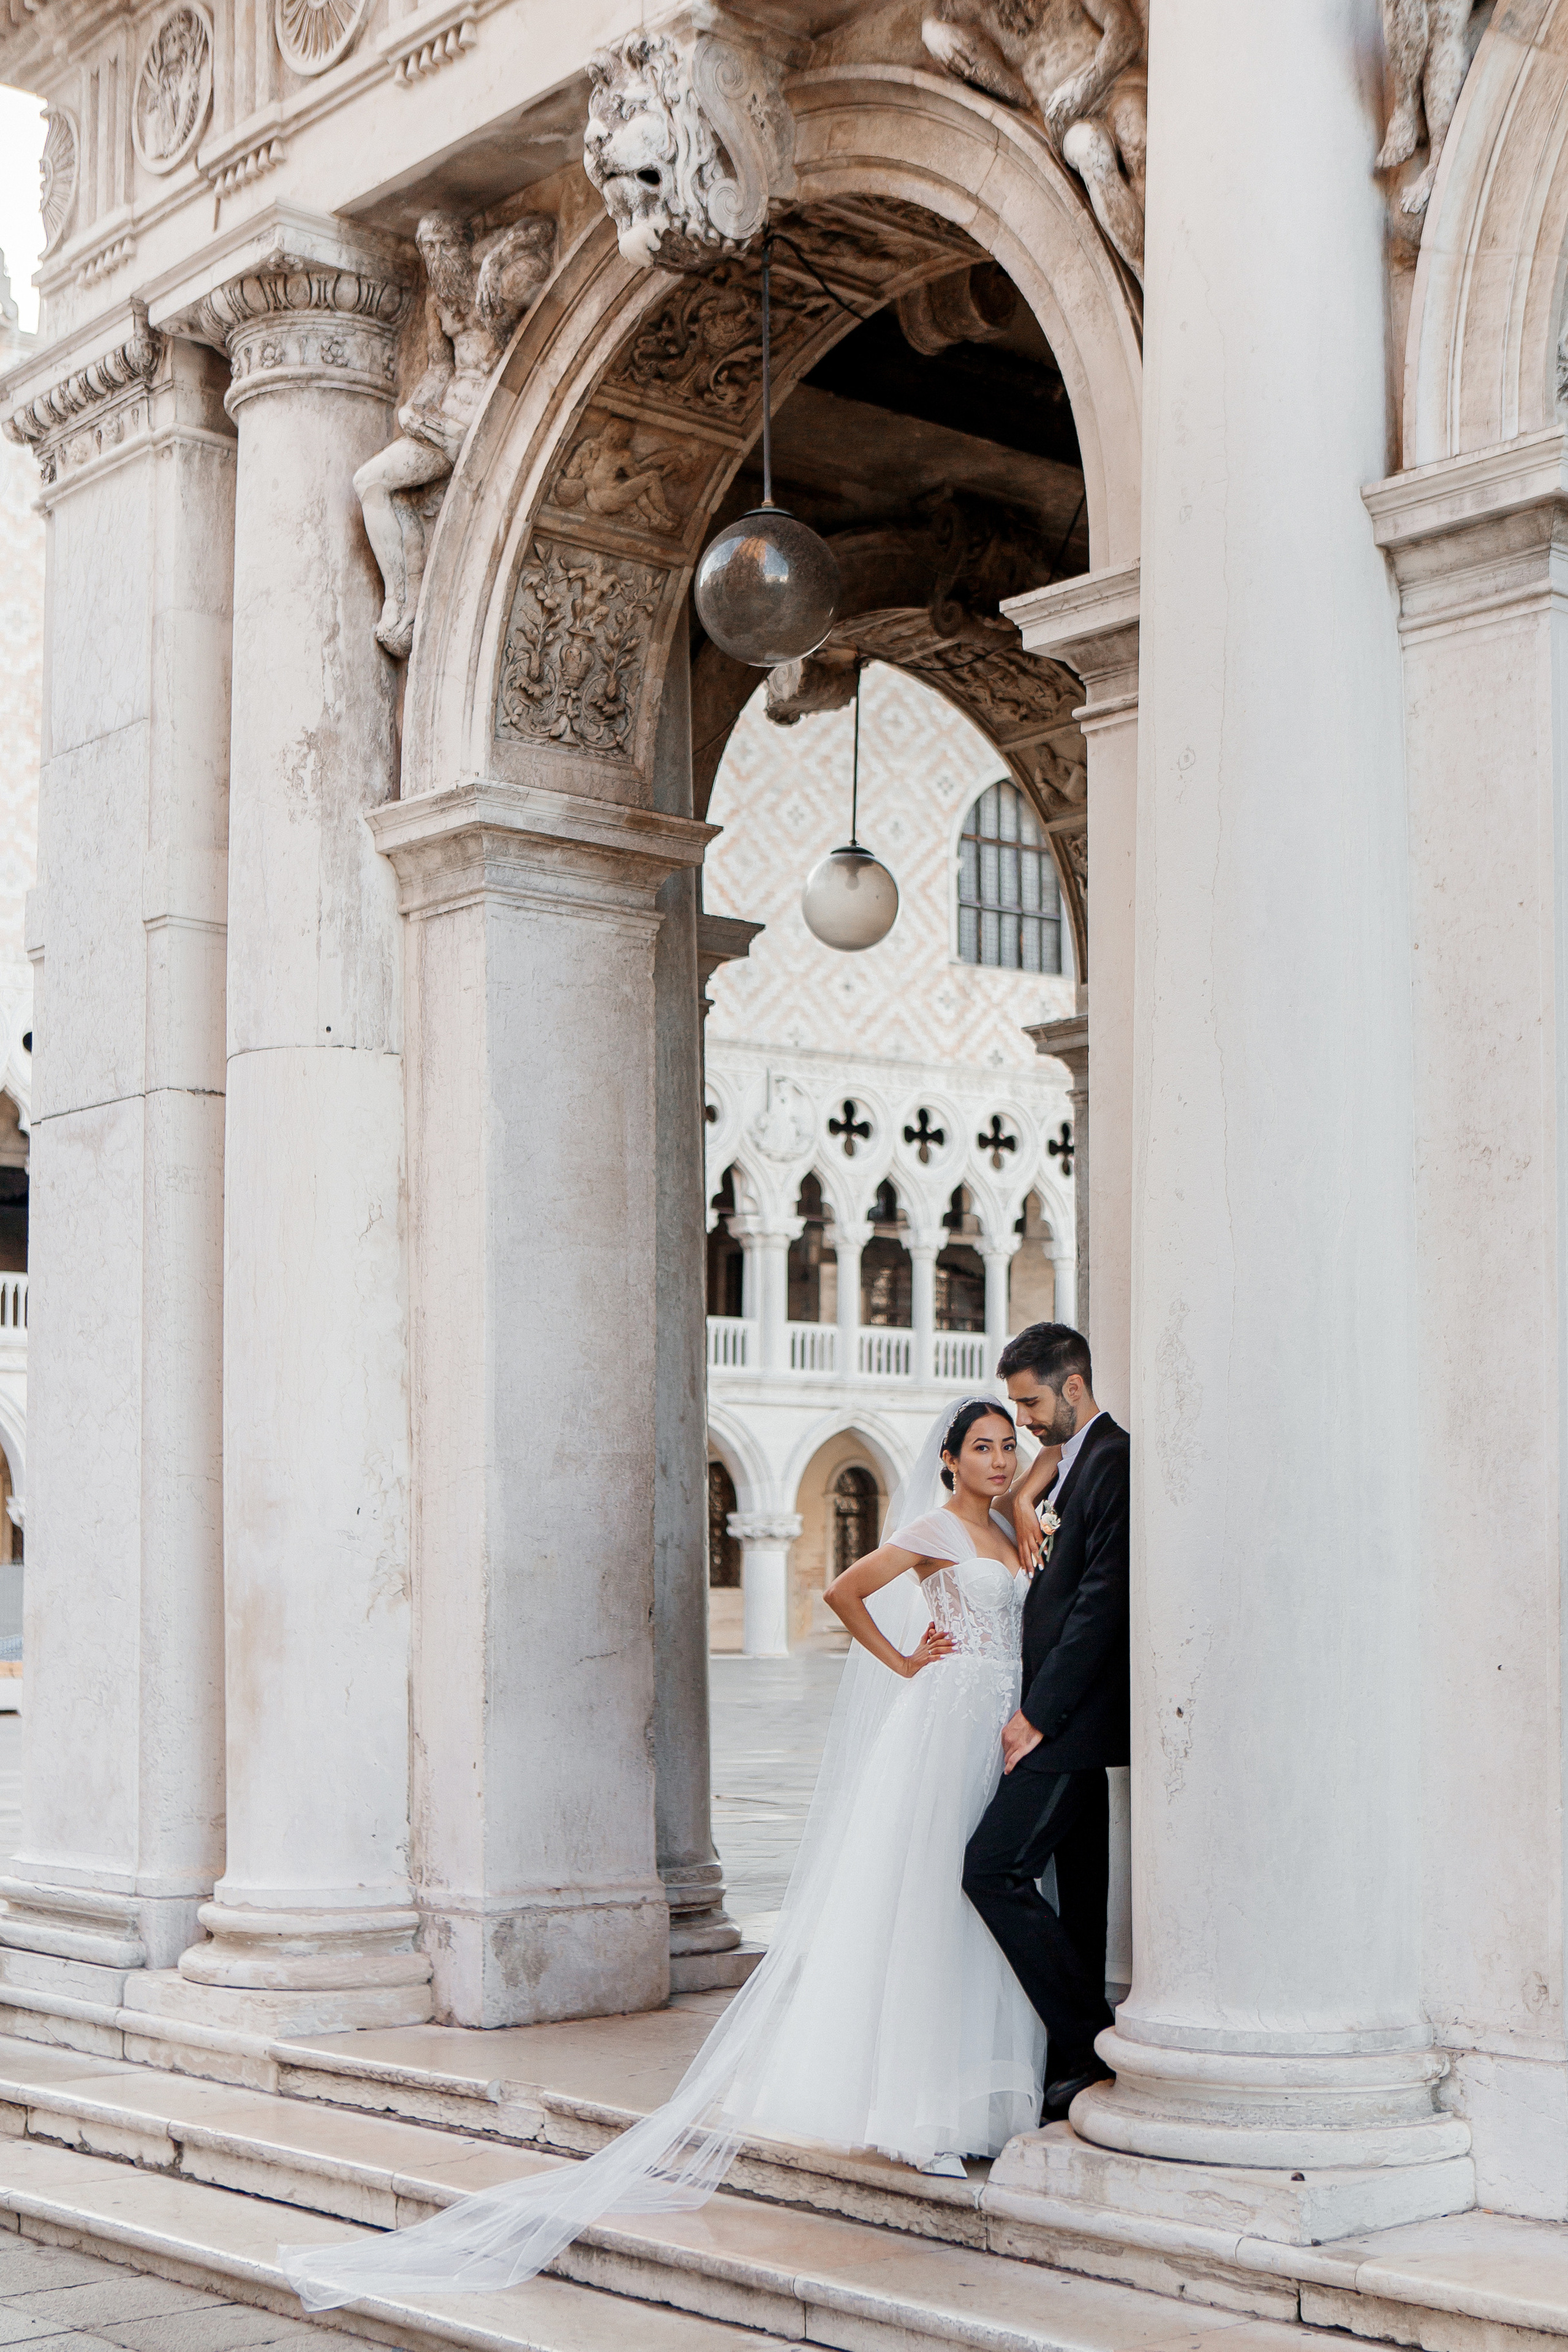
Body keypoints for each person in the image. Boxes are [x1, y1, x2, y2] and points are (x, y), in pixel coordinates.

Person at [282, 1396, 1043, 2310]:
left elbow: (1033, 1518)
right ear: (951, 1460)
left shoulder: (1009, 1525)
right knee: (929, 1900)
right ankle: (921, 2111)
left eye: (1011, 1445)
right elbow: (844, 1591)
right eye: (984, 1448)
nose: (1001, 1460)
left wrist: (1029, 1499)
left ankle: (987, 2096)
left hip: (999, 1725)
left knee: (988, 1901)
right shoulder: (936, 1528)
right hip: (946, 1720)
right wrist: (908, 1661)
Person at [961, 1322, 1128, 2120]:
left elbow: (1100, 1605)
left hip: (1068, 1724)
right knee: (1081, 1897)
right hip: (1064, 1722)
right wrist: (1029, 1490)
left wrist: (1037, 1713)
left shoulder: (1115, 1461)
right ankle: (1074, 2066)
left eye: (1029, 1404)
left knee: (990, 1869)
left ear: (1073, 1386)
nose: (1022, 1422)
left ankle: (1092, 2043)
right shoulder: (1072, 1465)